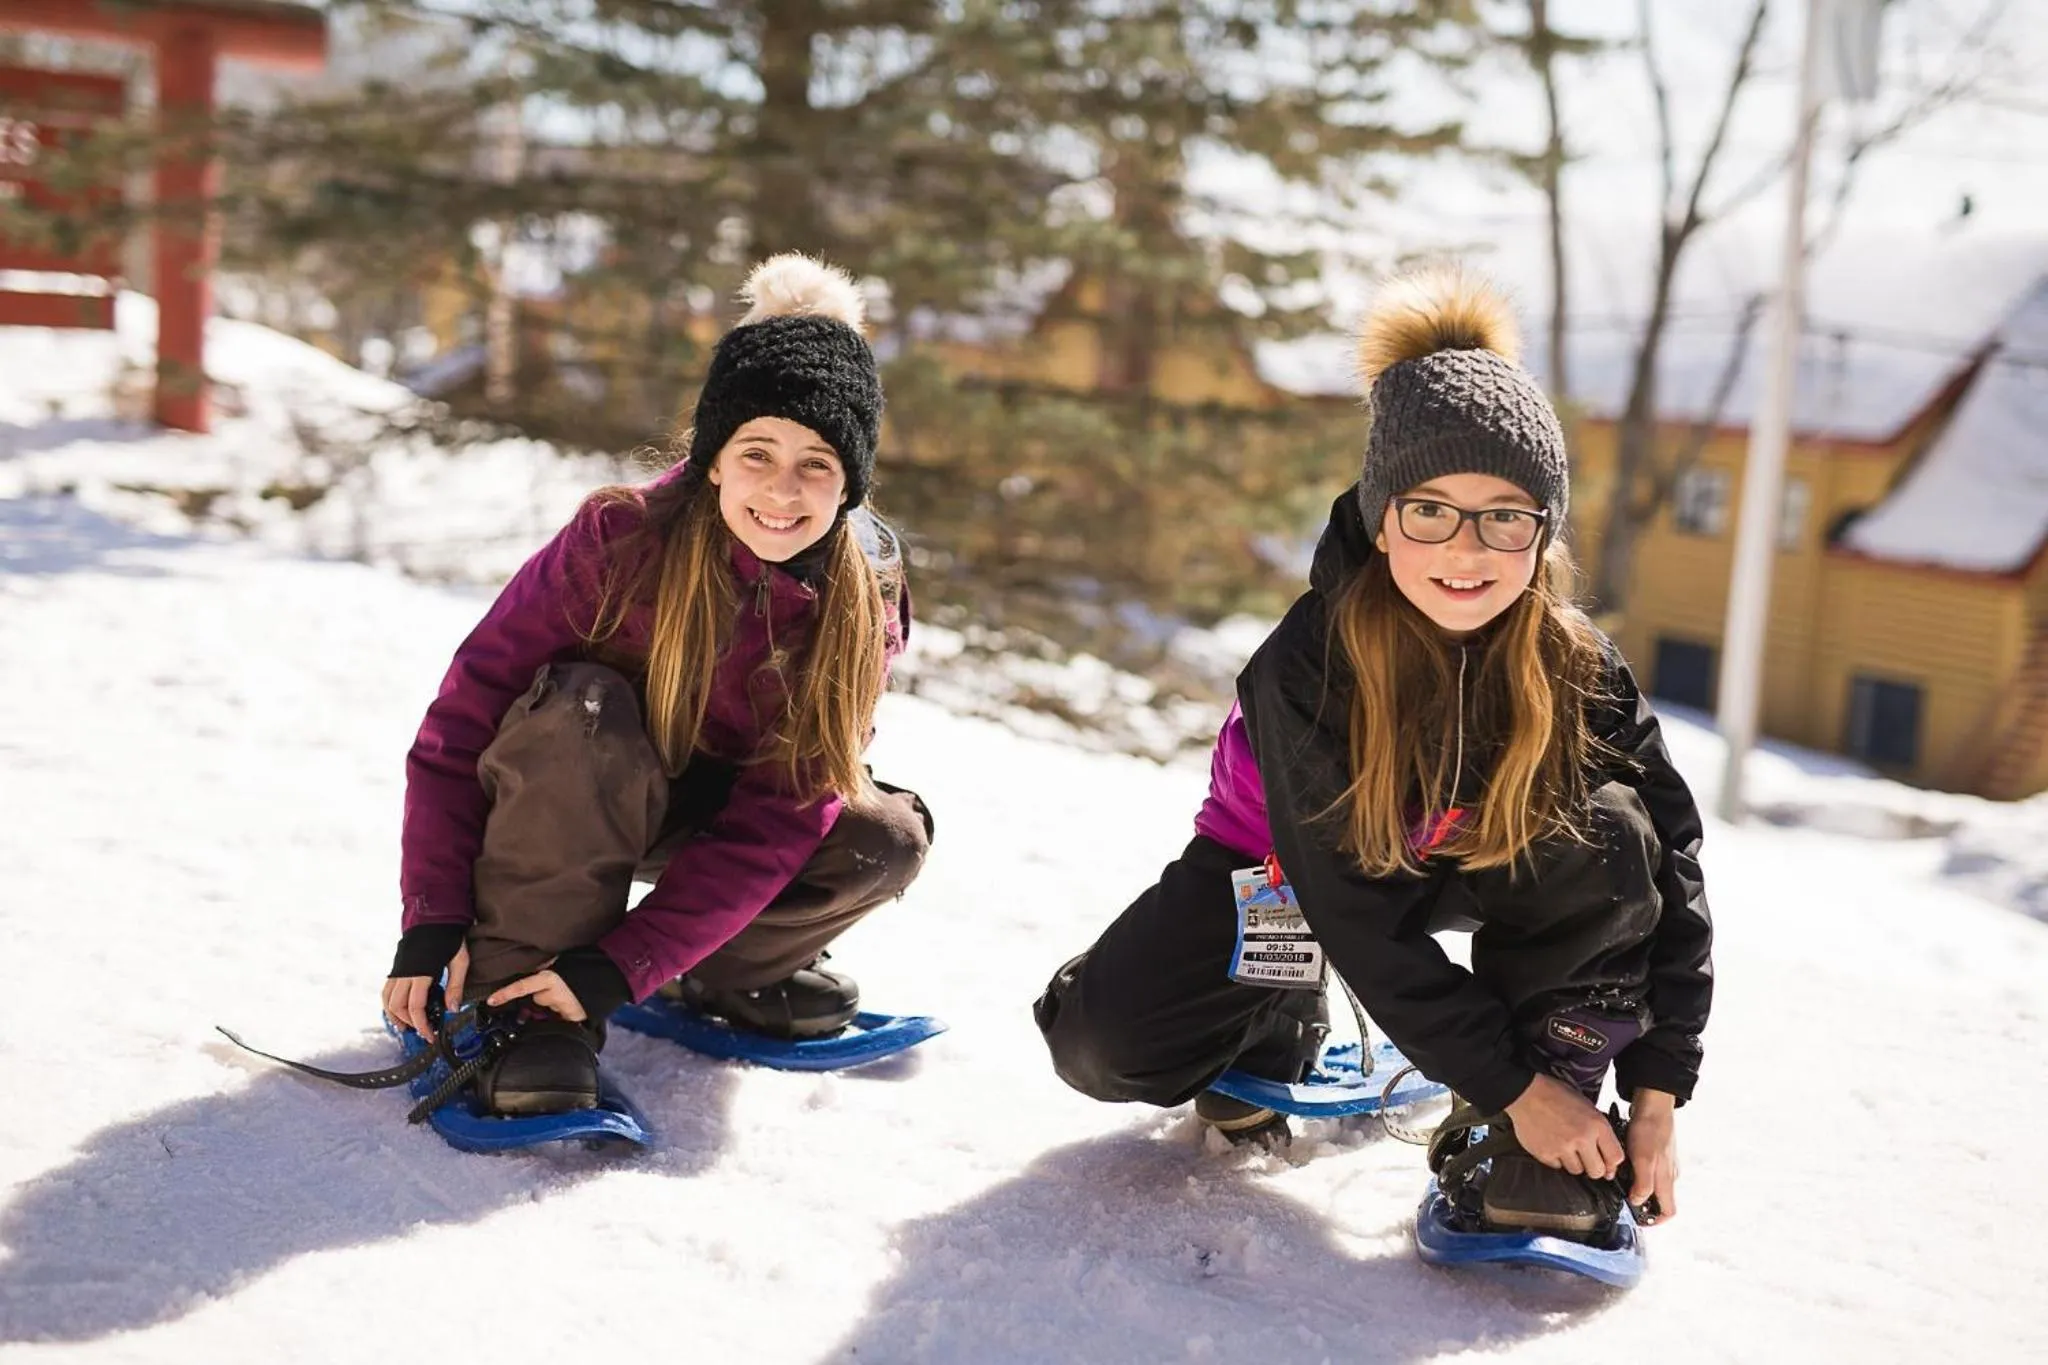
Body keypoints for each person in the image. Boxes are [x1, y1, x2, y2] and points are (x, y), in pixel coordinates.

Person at [1034, 265, 1712, 1236]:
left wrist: (1651, 1091)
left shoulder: (1574, 665)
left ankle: (1516, 1128)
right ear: (1379, 516)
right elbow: (1347, 909)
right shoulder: (1308, 664)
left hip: (1466, 856)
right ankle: (1274, 1010)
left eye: (1503, 517)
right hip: (1284, 866)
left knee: (1610, 836)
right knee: (1102, 1048)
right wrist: (1501, 1071)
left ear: (1543, 531)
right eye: (1428, 509)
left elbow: (1673, 862)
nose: (1464, 550)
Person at [381, 253, 932, 1116]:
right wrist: (433, 917)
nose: (783, 491)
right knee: (584, 711)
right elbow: (461, 727)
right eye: (757, 452)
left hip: (708, 816)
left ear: (852, 480)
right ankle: (518, 998)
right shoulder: (620, 541)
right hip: (570, 792)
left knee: (881, 835)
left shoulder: (863, 599)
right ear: (713, 459)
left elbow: (786, 813)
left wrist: (622, 965)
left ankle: (718, 973)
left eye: (817, 463)